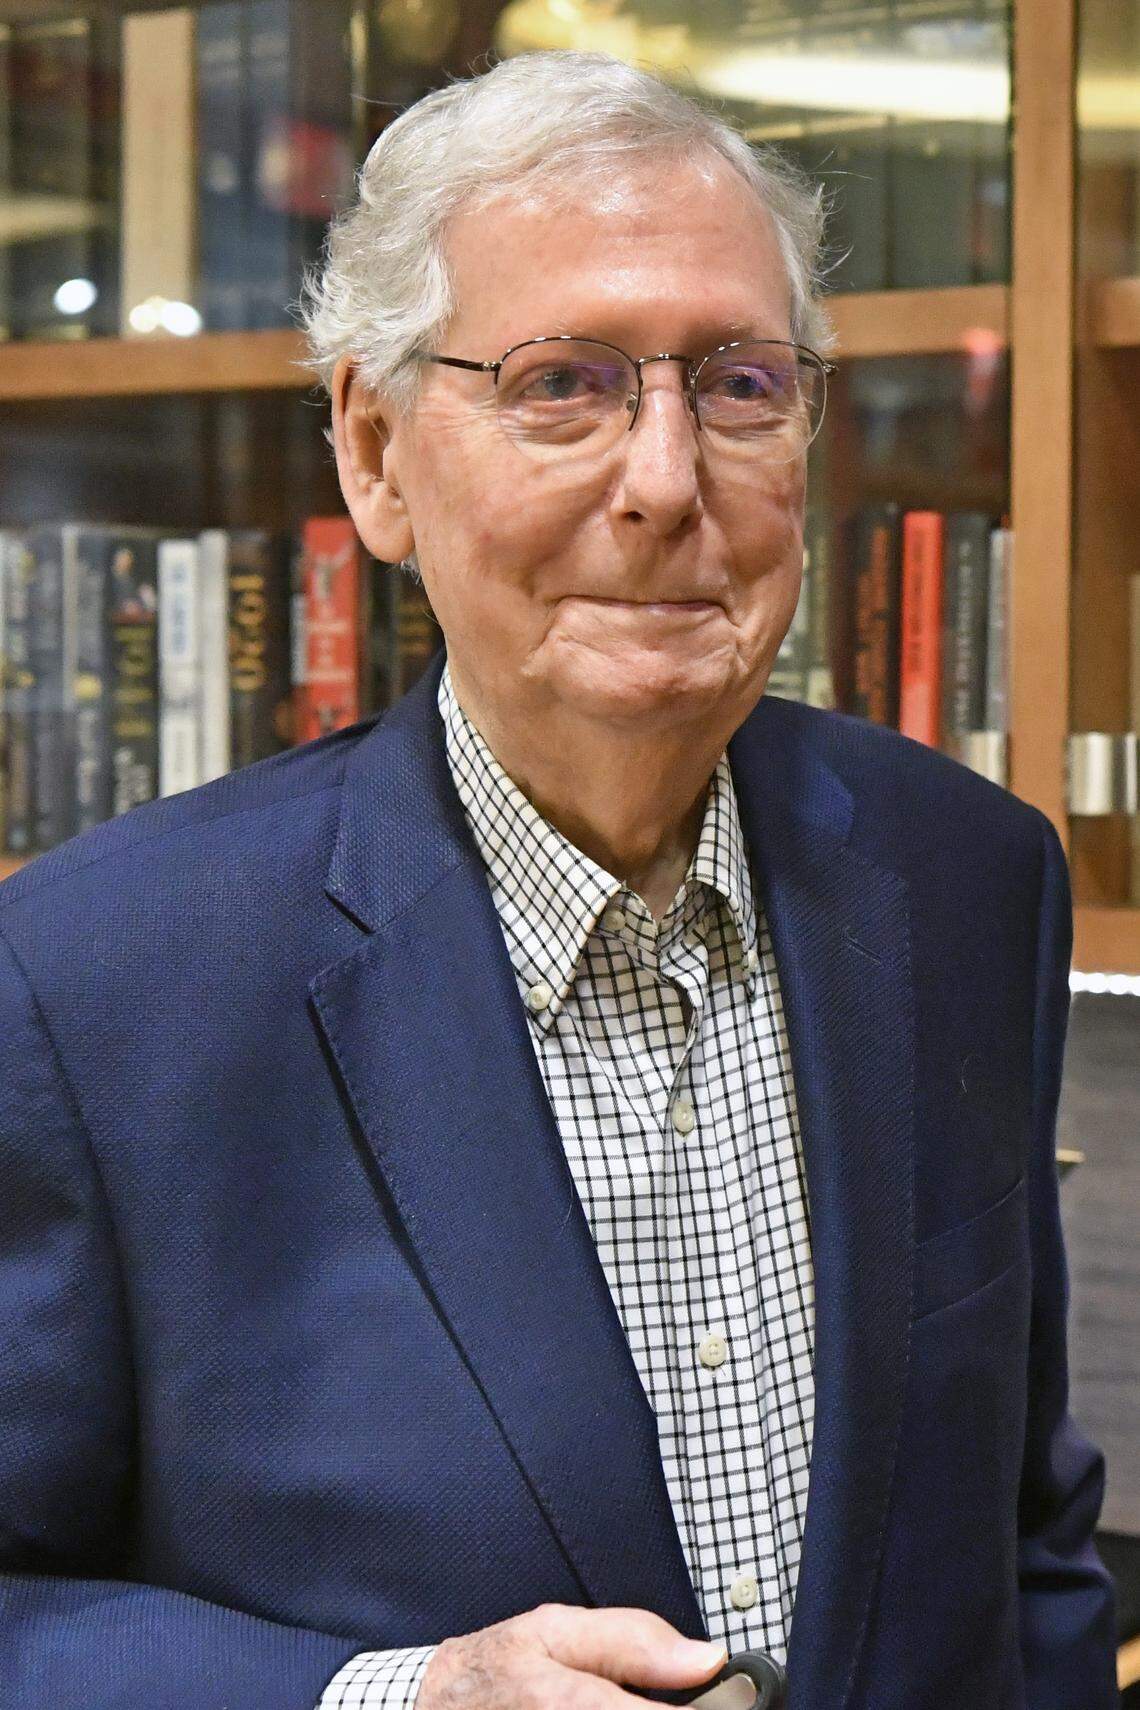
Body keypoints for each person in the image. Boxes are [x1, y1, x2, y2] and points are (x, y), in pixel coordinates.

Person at [0, 49, 1117, 1710]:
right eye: (563, 383)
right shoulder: (98, 981)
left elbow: (1023, 1541)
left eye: (739, 382)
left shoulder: (968, 879)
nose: (667, 481)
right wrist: (398, 1697)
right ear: (376, 457)